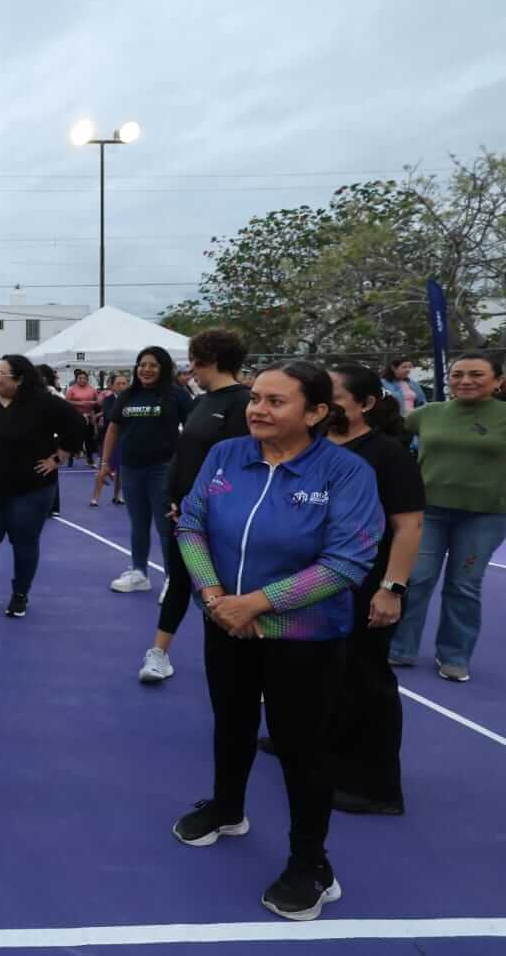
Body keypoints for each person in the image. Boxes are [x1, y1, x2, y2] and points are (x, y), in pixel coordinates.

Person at [172, 361, 382, 922]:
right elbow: (191, 524)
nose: (258, 409)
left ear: (316, 413)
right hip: (225, 622)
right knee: (231, 722)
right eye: (255, 398)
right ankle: (226, 808)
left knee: (301, 748)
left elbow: (346, 562)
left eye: (275, 401)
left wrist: (256, 604)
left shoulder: (346, 472)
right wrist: (216, 597)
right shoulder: (226, 455)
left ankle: (309, 862)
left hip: (305, 638)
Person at [389, 352, 506, 681]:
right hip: (429, 513)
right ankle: (400, 648)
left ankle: (454, 655)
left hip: (483, 517)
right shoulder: (428, 413)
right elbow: (388, 437)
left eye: (476, 374)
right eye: (457, 374)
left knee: (463, 586)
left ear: (497, 381)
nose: (465, 381)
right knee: (415, 580)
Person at [319, 364, 424, 815]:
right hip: (319, 582)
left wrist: (391, 589)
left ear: (365, 404)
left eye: (334, 397)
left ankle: (378, 788)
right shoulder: (314, 447)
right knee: (322, 672)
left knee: (367, 679)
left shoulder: (387, 455)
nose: (323, 404)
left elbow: (409, 526)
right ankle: (318, 747)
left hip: (367, 582)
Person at [139, 330, 252, 684]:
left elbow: (236, 466)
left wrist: (203, 507)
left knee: (224, 591)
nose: (191, 370)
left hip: (218, 518)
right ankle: (159, 653)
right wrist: (173, 498)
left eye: (195, 362)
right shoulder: (202, 401)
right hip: (185, 515)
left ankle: (251, 669)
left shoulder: (242, 404)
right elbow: (184, 454)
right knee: (178, 581)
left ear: (211, 361)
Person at [0, 354, 85, 618]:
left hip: (31, 490)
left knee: (25, 543)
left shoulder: (43, 403)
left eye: (1, 374)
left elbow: (78, 424)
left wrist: (58, 457)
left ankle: (20, 594)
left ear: (19, 379)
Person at [99, 347, 191, 592]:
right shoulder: (127, 395)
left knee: (165, 527)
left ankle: (172, 579)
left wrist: (187, 464)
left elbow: (193, 430)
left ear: (163, 368)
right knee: (138, 524)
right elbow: (113, 428)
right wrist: (105, 463)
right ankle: (139, 573)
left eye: (153, 365)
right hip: (131, 469)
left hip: (163, 469)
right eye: (142, 365)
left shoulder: (177, 395)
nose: (146, 369)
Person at [89, 375, 129, 507]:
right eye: (118, 383)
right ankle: (95, 498)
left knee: (121, 470)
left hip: (125, 438)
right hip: (110, 439)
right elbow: (109, 415)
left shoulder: (131, 399)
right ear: (112, 386)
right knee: (104, 468)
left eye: (124, 383)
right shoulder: (108, 400)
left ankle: (117, 496)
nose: (122, 386)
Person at [63, 370, 101, 468]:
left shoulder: (92, 389)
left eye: (84, 378)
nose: (82, 380)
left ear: (87, 379)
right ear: (76, 379)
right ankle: (70, 457)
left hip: (89, 416)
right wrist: (80, 403)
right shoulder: (71, 389)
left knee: (89, 439)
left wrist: (92, 403)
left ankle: (90, 459)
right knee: (75, 438)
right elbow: (66, 402)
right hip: (76, 416)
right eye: (80, 378)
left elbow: (98, 401)